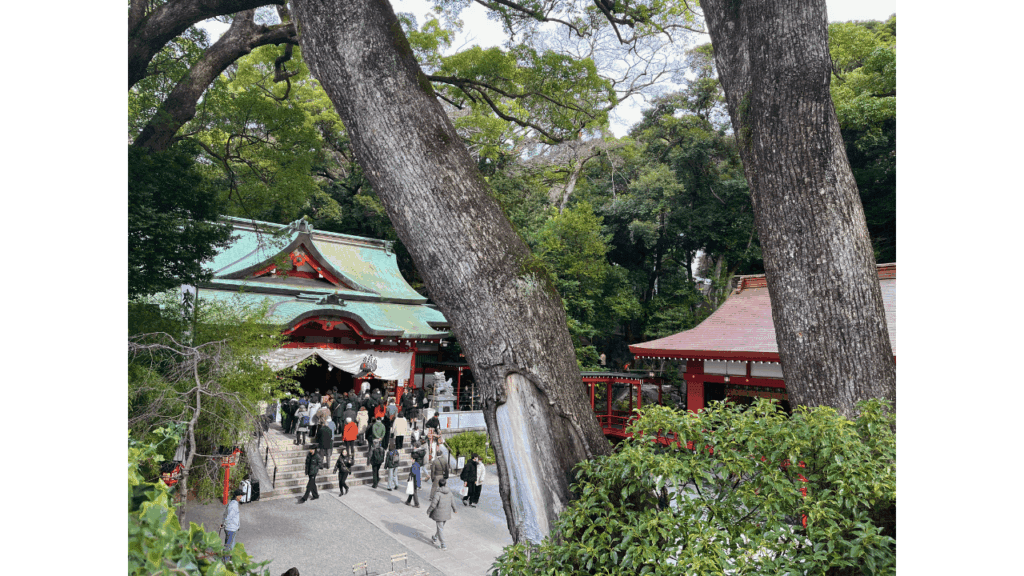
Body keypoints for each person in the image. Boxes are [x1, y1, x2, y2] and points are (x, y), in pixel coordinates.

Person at [426, 478, 457, 551]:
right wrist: (455, 509)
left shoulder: (438, 493)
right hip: (446, 514)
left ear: (439, 484)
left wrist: (428, 511)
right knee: (440, 527)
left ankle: (443, 544)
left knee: (440, 528)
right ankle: (435, 537)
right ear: (445, 484)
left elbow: (433, 504)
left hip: (439, 514)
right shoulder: (449, 492)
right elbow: (453, 502)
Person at [220, 488, 244, 559]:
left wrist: (223, 523)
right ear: (237, 496)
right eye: (241, 495)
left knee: (231, 544)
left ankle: (231, 557)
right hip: (231, 528)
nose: (241, 497)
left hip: (233, 528)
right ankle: (225, 561)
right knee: (228, 545)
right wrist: (224, 524)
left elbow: (225, 514)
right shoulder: (233, 505)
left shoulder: (233, 503)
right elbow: (229, 516)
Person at [405, 442, 423, 507]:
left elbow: (413, 474)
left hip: (414, 479)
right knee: (412, 490)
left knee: (414, 491)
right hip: (416, 479)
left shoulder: (414, 465)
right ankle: (408, 501)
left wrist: (409, 478)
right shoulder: (417, 464)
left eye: (412, 459)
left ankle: (417, 504)